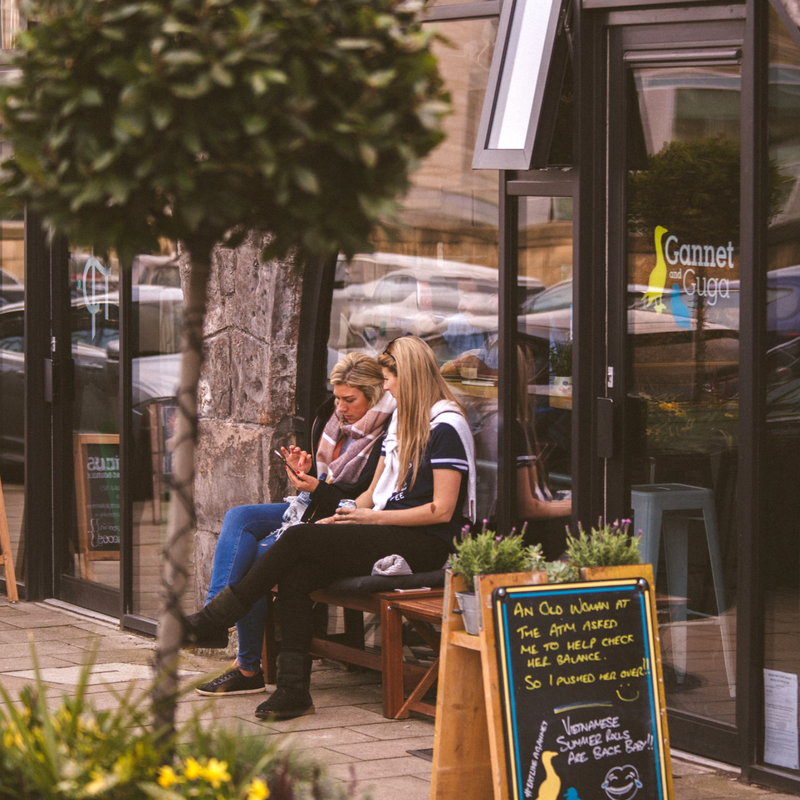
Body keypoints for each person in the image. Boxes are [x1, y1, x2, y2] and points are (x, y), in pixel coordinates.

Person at [180, 335, 476, 720]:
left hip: (429, 542)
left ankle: (214, 620)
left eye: (389, 379)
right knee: (299, 570)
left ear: (411, 377)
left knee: (299, 537)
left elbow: (442, 510)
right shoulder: (404, 422)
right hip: (389, 527)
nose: (386, 386)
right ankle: (293, 690)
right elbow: (371, 495)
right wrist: (348, 515)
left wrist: (371, 518)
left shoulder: (446, 426)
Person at [195, 352, 395, 696]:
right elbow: (326, 481)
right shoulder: (332, 421)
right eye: (337, 398)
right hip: (314, 507)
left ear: (375, 395)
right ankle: (216, 616)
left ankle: (246, 667)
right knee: (239, 516)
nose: (341, 408)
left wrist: (317, 487)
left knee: (259, 556)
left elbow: (361, 504)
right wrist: (304, 472)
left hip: (349, 522)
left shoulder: (389, 433)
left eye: (351, 400)